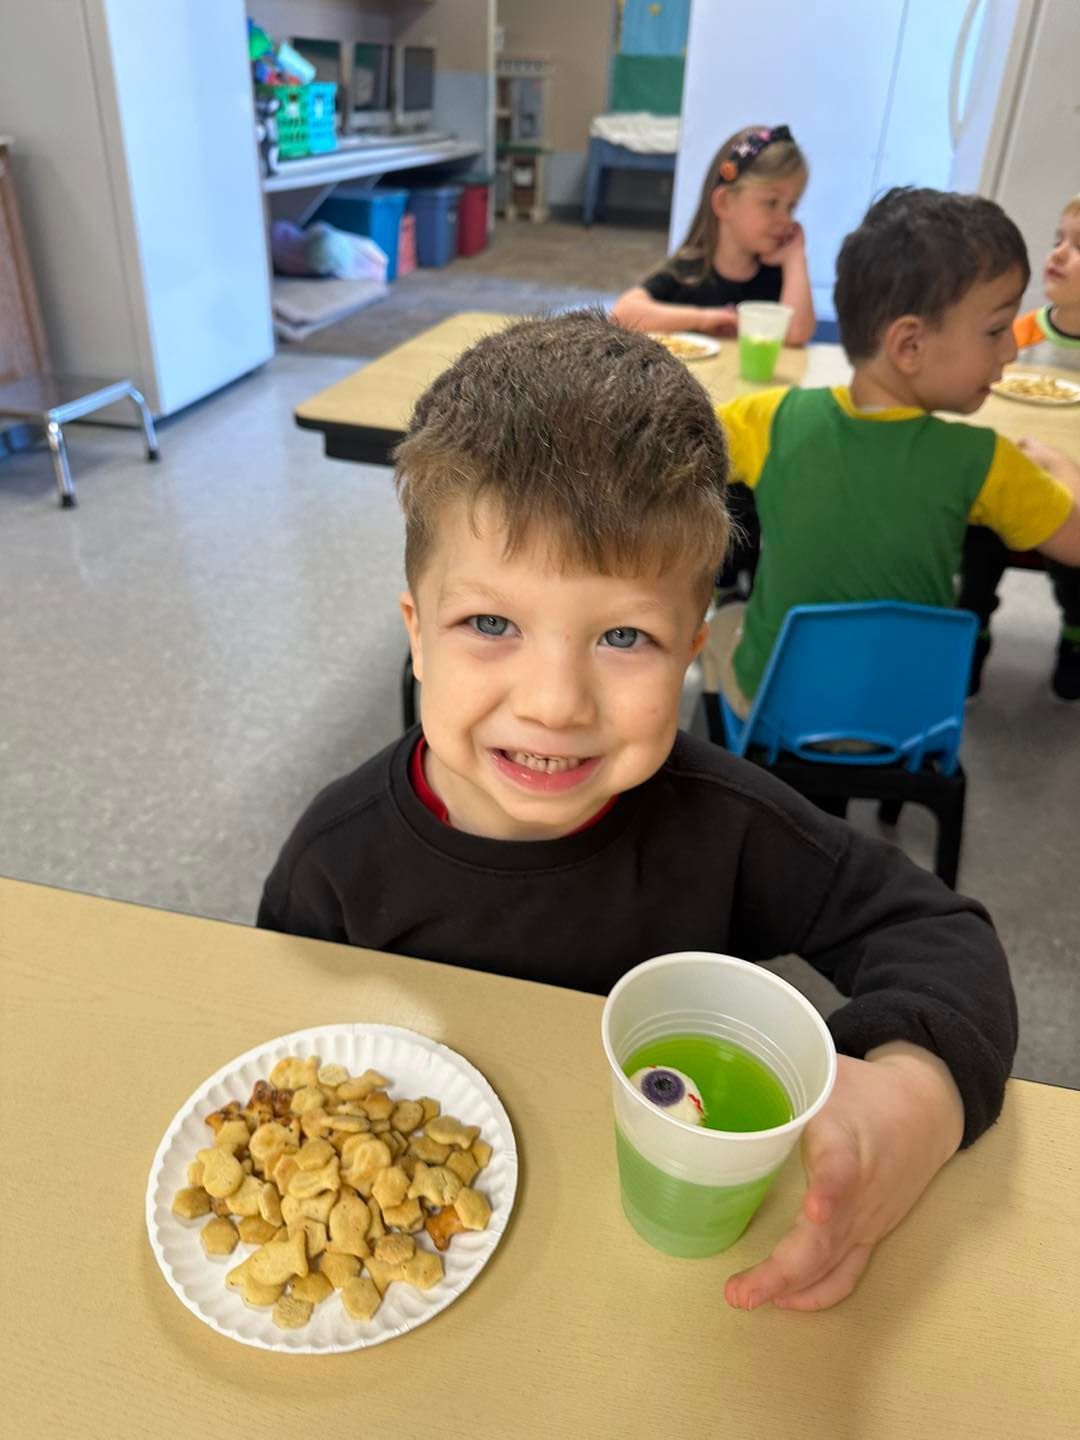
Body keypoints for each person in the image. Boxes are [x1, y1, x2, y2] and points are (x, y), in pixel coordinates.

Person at [259, 311, 1017, 1313]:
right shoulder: (335, 860)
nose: (556, 703)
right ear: (417, 636)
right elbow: (275, 1046)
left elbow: (938, 932)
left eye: (625, 638)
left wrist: (916, 1094)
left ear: (694, 650)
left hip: (661, 1276)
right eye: (490, 623)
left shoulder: (728, 826)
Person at [702, 187, 1080, 719]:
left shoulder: (769, 419)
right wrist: (1065, 468)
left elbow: (672, 458)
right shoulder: (986, 461)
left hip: (779, 707)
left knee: (724, 621)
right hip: (911, 714)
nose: (1012, 350)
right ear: (909, 346)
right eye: (996, 330)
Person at [958, 195, 1080, 699]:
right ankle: (975, 624)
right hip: (1015, 468)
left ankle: (1076, 631)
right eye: (1058, 240)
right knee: (980, 530)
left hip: (1071, 485)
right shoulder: (1021, 333)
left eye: (1078, 247)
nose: (1057, 254)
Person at [611, 125, 816, 346]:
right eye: (771, 203)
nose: (786, 219)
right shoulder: (689, 271)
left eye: (791, 207)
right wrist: (704, 319)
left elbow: (796, 335)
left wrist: (796, 258)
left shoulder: (777, 277)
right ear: (724, 203)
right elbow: (622, 313)